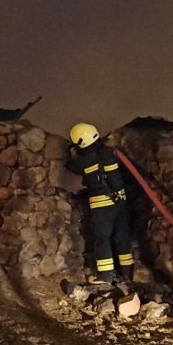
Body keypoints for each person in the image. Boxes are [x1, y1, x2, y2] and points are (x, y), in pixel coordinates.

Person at [65, 122, 134, 285]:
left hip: (102, 206)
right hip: (121, 202)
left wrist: (70, 151)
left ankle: (105, 276)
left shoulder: (84, 161)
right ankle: (127, 273)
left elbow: (70, 165)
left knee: (102, 239)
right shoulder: (112, 152)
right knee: (122, 236)